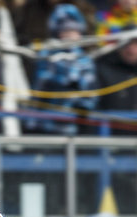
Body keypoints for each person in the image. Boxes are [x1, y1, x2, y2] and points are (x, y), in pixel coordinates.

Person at [29, 4, 98, 134]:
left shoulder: (85, 60)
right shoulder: (46, 56)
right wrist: (65, 83)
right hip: (45, 126)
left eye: (73, 31)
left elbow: (91, 93)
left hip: (76, 128)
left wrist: (82, 103)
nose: (69, 36)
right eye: (65, 31)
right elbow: (41, 87)